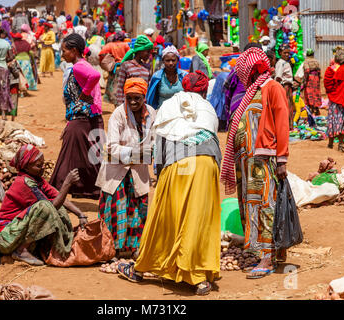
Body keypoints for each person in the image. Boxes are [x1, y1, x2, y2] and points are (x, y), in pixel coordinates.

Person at [117, 71, 222, 296]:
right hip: (206, 165)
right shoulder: (207, 108)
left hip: (178, 165)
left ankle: (141, 269)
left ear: (183, 88)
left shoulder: (168, 106)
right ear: (203, 91)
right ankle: (200, 275)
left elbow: (160, 143)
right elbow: (213, 139)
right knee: (198, 219)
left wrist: (160, 175)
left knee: (164, 217)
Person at [220, 47, 290, 279]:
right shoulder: (252, 92)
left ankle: (268, 257)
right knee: (251, 207)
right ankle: (266, 251)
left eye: (245, 71)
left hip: (264, 160)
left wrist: (281, 160)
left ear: (252, 70)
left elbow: (281, 122)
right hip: (247, 164)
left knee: (265, 207)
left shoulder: (272, 88)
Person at [0, 144, 88, 268]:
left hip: (19, 232)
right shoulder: (23, 183)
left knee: (60, 208)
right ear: (26, 167)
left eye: (43, 164)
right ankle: (21, 250)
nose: (42, 168)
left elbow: (58, 196)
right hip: (7, 237)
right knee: (44, 207)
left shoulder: (37, 179)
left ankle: (54, 245)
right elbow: (50, 207)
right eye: (38, 166)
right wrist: (67, 184)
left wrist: (80, 214)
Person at [96, 78, 155, 259]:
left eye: (137, 98)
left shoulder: (152, 113)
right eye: (129, 98)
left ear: (144, 97)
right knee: (117, 208)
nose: (133, 102)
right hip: (117, 171)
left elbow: (154, 143)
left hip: (138, 171)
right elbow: (112, 148)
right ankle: (113, 249)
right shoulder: (118, 115)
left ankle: (135, 247)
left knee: (138, 209)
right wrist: (142, 154)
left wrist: (143, 154)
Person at [49, 33, 104, 199]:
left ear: (74, 50)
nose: (62, 54)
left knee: (68, 162)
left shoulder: (79, 66)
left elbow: (95, 76)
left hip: (80, 121)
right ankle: (98, 192)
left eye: (64, 51)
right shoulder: (79, 65)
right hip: (80, 120)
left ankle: (53, 195)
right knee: (88, 160)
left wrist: (84, 94)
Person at [114, 35, 153, 107]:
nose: (149, 55)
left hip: (143, 105)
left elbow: (149, 87)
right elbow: (120, 87)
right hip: (128, 104)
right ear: (140, 50)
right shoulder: (126, 65)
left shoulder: (147, 67)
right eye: (147, 52)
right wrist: (119, 105)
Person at [146, 45, 187, 110]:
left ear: (177, 60)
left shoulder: (184, 76)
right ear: (163, 61)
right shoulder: (157, 76)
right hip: (162, 113)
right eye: (167, 60)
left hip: (181, 113)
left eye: (173, 60)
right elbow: (151, 97)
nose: (171, 63)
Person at [99, 31, 130, 104]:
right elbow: (131, 55)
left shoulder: (110, 45)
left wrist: (107, 61)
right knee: (123, 87)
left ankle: (116, 103)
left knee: (113, 88)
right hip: (124, 68)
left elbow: (101, 54)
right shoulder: (125, 45)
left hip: (114, 69)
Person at [275, 44, 294, 129]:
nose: (287, 55)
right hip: (284, 87)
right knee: (286, 106)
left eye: (288, 53)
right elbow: (278, 77)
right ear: (280, 53)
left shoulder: (285, 63)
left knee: (290, 106)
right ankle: (285, 126)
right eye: (284, 53)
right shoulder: (281, 63)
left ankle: (289, 125)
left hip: (288, 86)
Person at [303, 49, 322, 116]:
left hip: (310, 78)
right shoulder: (316, 61)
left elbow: (307, 70)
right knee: (316, 92)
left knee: (309, 92)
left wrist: (305, 80)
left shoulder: (306, 61)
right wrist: (318, 78)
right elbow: (319, 71)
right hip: (316, 78)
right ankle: (316, 108)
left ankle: (311, 108)